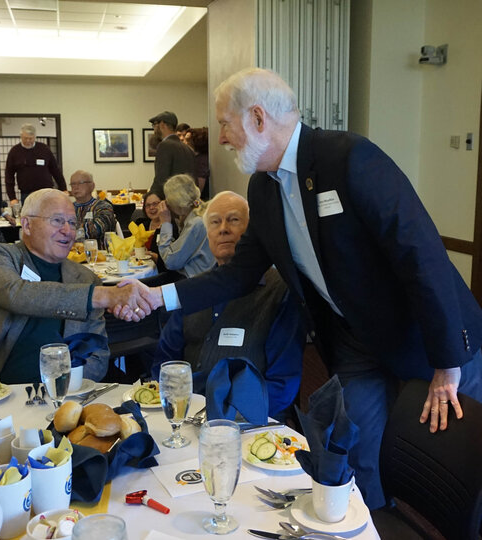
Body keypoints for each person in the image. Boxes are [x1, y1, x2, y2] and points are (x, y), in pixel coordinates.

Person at [138, 67, 482, 510]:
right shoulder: (262, 188)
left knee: (459, 461)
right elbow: (238, 275)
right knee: (354, 452)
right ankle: (368, 527)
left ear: (258, 118)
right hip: (356, 343)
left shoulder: (349, 158)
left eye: (225, 123)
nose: (221, 137)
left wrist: (447, 362)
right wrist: (158, 296)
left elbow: (422, 256)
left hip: (428, 334)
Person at [0, 188, 148, 390]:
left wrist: (67, 389)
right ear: (27, 225)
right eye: (57, 220)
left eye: (72, 223)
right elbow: (16, 293)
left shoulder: (85, 277)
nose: (67, 230)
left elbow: (97, 354)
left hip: (61, 397)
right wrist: (102, 295)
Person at [153, 191, 306, 419]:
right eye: (215, 222)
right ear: (208, 234)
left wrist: (228, 418)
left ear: (253, 232)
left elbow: (282, 386)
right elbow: (165, 364)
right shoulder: (193, 290)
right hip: (187, 417)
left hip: (248, 423)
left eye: (233, 220)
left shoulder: (280, 292)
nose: (223, 228)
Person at [156, 174, 214, 278]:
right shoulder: (199, 215)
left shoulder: (196, 223)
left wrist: (165, 223)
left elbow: (170, 262)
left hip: (193, 281)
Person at [5, 123, 67, 207]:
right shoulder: (15, 151)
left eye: (30, 138)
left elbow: (55, 170)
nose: (28, 141)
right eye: (25, 138)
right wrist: (12, 198)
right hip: (27, 193)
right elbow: (9, 176)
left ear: (35, 137)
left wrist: (63, 188)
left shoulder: (44, 149)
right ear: (21, 137)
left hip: (46, 192)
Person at [147, 111, 195, 197]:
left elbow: (161, 179)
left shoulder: (165, 145)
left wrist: (150, 197)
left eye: (154, 125)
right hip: (186, 202)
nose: (154, 129)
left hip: (171, 202)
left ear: (162, 124)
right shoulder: (188, 149)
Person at [69, 170, 115, 249]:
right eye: (73, 184)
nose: (76, 187)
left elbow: (94, 231)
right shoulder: (67, 208)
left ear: (92, 186)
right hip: (70, 255)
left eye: (80, 183)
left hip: (99, 255)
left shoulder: (103, 207)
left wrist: (68, 233)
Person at [134, 191, 176, 274]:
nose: (151, 208)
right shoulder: (141, 225)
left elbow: (173, 260)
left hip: (162, 274)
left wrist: (154, 257)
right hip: (138, 269)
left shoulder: (171, 227)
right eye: (148, 205)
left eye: (155, 204)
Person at [186, 128, 210, 200]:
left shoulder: (201, 161)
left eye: (187, 140)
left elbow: (198, 189)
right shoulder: (200, 158)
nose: (183, 142)